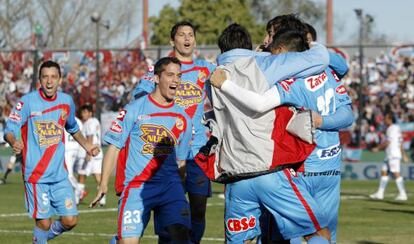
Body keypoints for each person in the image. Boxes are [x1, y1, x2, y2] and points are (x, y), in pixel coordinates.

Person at [210, 27, 354, 244]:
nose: (266, 42)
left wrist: (227, 81)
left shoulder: (211, 77)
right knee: (316, 233)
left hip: (236, 176)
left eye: (270, 36)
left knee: (246, 240)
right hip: (275, 170)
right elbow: (337, 67)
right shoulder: (272, 68)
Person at [90, 57, 193, 244]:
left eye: (179, 75)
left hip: (170, 185)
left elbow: (181, 161)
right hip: (138, 186)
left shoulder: (183, 117)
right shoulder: (133, 109)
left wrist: (181, 188)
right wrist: (103, 183)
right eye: (170, 75)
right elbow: (114, 147)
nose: (176, 80)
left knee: (180, 235)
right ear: (156, 78)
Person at [132, 21, 215, 243]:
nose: (187, 38)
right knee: (165, 211)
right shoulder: (161, 70)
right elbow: (138, 96)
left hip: (198, 151)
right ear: (172, 40)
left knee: (198, 209)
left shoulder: (206, 69)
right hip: (167, 152)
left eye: (191, 34)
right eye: (181, 35)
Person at [3, 60, 99, 244]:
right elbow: (9, 128)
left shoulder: (66, 101)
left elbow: (72, 127)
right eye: (45, 77)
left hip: (59, 175)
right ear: (39, 79)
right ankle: (41, 239)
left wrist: (87, 146)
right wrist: (14, 141)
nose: (49, 82)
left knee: (70, 221)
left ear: (60, 80)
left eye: (53, 77)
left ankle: (40, 240)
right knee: (44, 222)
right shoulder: (27, 102)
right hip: (36, 175)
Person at [370, 112, 408, 201]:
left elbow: (388, 142)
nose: (384, 120)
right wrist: (403, 154)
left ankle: (403, 194)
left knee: (396, 173)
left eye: (386, 118)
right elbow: (401, 142)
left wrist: (378, 148)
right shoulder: (397, 128)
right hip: (391, 154)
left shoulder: (391, 128)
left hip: (393, 154)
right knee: (384, 172)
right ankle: (380, 193)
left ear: (390, 119)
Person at [77, 104, 106, 206]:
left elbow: (90, 136)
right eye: (82, 112)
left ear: (90, 113)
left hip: (91, 152)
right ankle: (102, 199)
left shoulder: (89, 122)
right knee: (97, 176)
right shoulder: (96, 121)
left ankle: (77, 198)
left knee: (82, 175)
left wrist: (88, 152)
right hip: (98, 152)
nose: (83, 114)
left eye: (85, 112)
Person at [64, 116, 82, 193]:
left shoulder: (64, 118)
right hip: (76, 148)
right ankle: (77, 191)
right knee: (68, 172)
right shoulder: (79, 121)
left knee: (68, 174)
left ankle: (80, 190)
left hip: (68, 149)